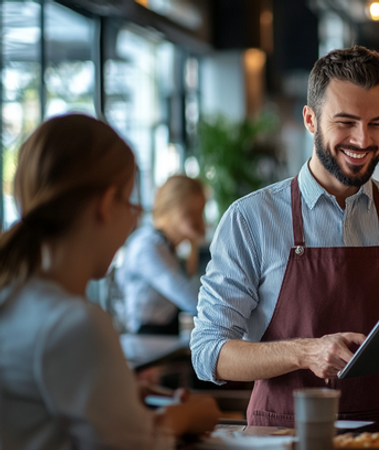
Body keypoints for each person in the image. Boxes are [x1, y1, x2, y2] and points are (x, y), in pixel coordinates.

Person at [191, 46, 379, 432]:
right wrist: (304, 351)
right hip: (285, 437)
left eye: (377, 123)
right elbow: (208, 352)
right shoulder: (251, 218)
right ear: (311, 119)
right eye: (345, 122)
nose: (363, 140)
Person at [0, 114, 220, 449]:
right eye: (131, 202)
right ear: (105, 204)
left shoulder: (14, 298)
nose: (134, 219)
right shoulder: (73, 323)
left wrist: (120, 395)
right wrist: (188, 415)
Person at [116, 175, 206, 334]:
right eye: (193, 213)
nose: (200, 221)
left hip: (160, 335)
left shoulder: (166, 246)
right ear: (175, 210)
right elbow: (190, 299)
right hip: (145, 336)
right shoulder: (148, 246)